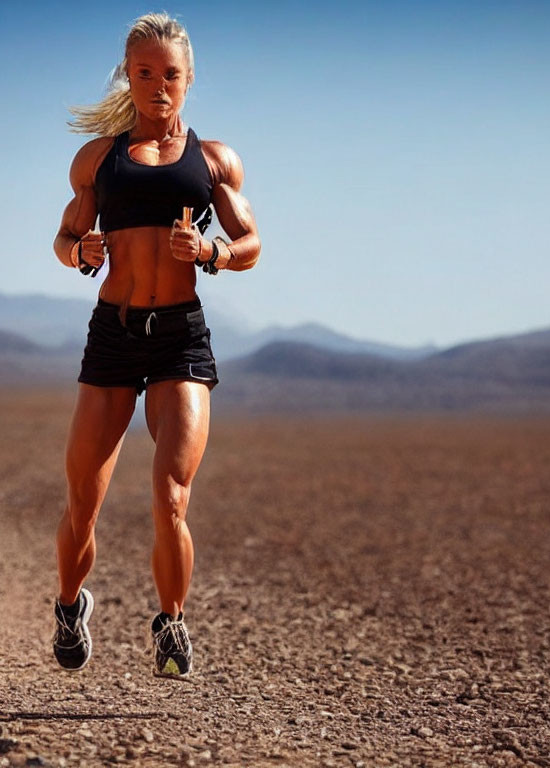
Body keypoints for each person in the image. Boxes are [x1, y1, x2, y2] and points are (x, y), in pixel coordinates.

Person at [51, 13, 260, 678]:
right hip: (112, 337)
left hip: (179, 339)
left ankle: (171, 623)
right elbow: (63, 240)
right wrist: (78, 251)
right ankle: (68, 604)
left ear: (189, 78)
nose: (158, 85)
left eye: (170, 74)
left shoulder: (214, 161)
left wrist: (212, 251)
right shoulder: (97, 160)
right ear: (128, 76)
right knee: (84, 495)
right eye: (144, 73)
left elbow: (252, 244)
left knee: (171, 493)